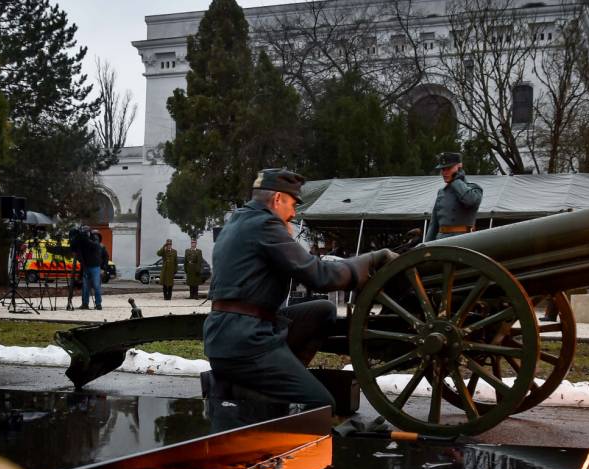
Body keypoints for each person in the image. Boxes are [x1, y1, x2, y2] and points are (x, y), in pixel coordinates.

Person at [203, 168, 398, 409]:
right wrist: (372, 259)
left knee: (324, 310)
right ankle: (251, 391)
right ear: (277, 199)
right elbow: (320, 276)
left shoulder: (241, 221)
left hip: (233, 333)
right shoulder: (264, 226)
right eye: (292, 205)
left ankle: (276, 379)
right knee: (322, 404)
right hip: (246, 342)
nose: (294, 213)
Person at [424, 152, 483, 242]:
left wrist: (456, 180)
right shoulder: (441, 192)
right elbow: (434, 225)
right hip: (441, 241)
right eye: (443, 169)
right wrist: (426, 246)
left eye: (449, 168)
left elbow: (470, 200)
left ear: (459, 166)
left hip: (464, 241)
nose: (444, 172)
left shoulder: (474, 188)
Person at [78, 230, 105, 310]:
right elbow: (80, 254)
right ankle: (85, 304)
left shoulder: (95, 241)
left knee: (96, 286)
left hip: (95, 266)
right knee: (85, 287)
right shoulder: (83, 243)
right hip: (86, 266)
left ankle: (98, 304)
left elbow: (95, 245)